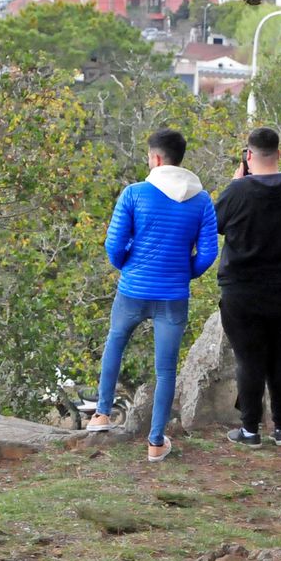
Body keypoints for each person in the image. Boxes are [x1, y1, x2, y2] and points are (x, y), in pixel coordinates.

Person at [88, 129, 218, 462]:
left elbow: (113, 245)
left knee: (115, 342)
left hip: (133, 288)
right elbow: (207, 252)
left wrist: (127, 266)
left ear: (156, 158)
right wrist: (184, 272)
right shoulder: (201, 201)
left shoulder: (134, 194)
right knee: (166, 371)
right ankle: (156, 443)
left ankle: (102, 415)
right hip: (173, 295)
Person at [215, 127, 281, 447]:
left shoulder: (237, 192)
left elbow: (216, 224)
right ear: (279, 154)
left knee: (249, 360)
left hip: (243, 291)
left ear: (248, 156)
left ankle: (250, 431)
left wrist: (236, 184)